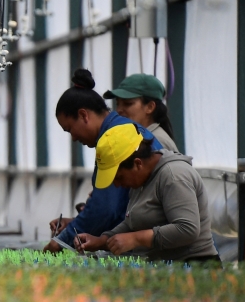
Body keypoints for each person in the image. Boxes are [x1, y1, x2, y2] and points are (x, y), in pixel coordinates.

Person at [44, 69, 161, 253]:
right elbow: (114, 204)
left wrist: (62, 241)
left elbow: (106, 209)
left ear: (83, 115)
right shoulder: (121, 130)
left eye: (70, 129)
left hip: (151, 248)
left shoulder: (115, 139)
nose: (73, 138)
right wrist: (75, 224)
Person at [75, 123, 219, 264]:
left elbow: (187, 229)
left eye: (119, 177)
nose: (117, 185)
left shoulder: (173, 175)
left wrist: (135, 239)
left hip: (194, 267)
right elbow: (134, 221)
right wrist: (102, 240)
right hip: (164, 268)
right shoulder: (141, 180)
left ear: (137, 164)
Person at [104, 74, 179, 152]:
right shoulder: (139, 137)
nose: (119, 110)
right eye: (117, 104)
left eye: (127, 103)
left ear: (150, 107)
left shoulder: (157, 142)